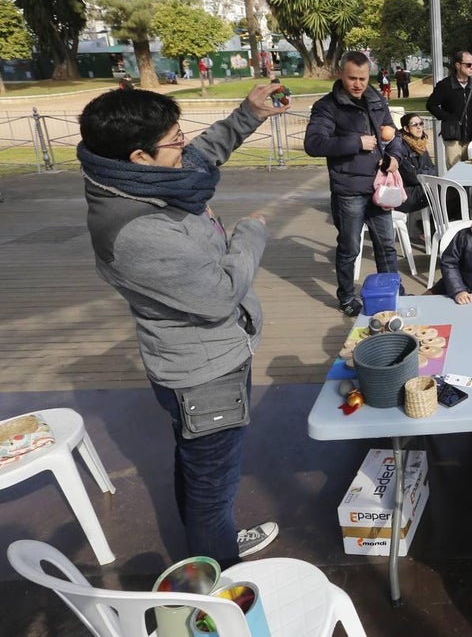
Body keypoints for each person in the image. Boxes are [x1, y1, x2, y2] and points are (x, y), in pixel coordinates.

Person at [77, 83, 290, 568]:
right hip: (204, 374)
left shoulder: (131, 178)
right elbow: (219, 295)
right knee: (213, 487)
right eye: (175, 140)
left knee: (197, 465)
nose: (185, 146)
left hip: (201, 363)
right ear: (139, 156)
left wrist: (248, 114)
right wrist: (250, 234)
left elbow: (199, 156)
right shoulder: (140, 230)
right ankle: (220, 583)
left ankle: (206, 551)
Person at [304, 51, 401, 317]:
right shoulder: (327, 106)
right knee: (350, 248)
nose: (358, 84)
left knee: (386, 246)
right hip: (348, 191)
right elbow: (313, 145)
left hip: (381, 188)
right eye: (352, 78)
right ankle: (347, 297)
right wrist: (356, 142)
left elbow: (393, 134)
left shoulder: (376, 98)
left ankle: (392, 290)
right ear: (340, 74)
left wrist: (395, 156)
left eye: (363, 78)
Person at [427, 51, 472, 167]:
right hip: (452, 136)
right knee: (455, 169)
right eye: (468, 65)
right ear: (458, 65)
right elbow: (431, 104)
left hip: (471, 137)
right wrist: (448, 118)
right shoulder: (445, 85)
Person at [393, 112, 437, 219]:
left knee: (452, 190)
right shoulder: (400, 147)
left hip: (421, 187)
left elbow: (434, 168)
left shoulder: (420, 144)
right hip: (405, 193)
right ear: (406, 129)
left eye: (421, 123)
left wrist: (426, 173)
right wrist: (428, 173)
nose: (419, 127)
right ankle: (428, 228)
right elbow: (413, 177)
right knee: (446, 191)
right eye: (414, 124)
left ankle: (428, 227)